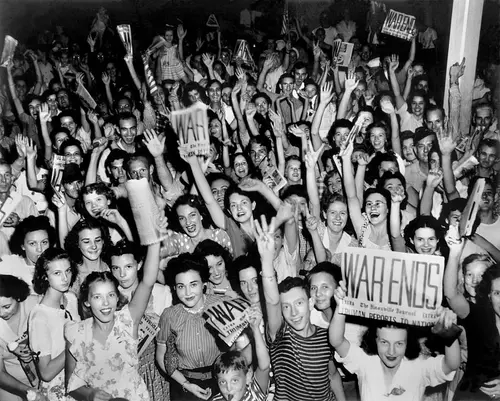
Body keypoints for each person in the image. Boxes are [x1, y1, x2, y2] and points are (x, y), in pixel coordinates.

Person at [255, 216, 345, 401]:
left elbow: (333, 375)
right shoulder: (280, 335)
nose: (293, 313)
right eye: (286, 307)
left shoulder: (325, 335)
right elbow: (272, 301)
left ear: (311, 303)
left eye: (299, 303)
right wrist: (266, 260)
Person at [330, 281, 461, 401]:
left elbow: (451, 364)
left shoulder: (418, 367)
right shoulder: (365, 361)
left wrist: (448, 329)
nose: (391, 352)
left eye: (399, 343)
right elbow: (337, 341)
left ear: (407, 343)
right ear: (374, 340)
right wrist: (340, 307)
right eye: (384, 342)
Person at [64, 241, 161, 401]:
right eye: (97, 297)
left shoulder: (127, 321)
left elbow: (148, 281)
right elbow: (72, 385)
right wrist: (90, 394)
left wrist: (154, 240)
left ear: (117, 297)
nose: (105, 303)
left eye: (110, 295)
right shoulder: (75, 332)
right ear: (87, 301)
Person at [108, 239, 172, 401]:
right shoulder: (108, 299)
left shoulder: (161, 293)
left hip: (157, 371)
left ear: (139, 264)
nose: (122, 275)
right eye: (116, 268)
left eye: (128, 267)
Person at [156, 253, 225, 401]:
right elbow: (161, 355)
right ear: (174, 288)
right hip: (184, 386)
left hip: (220, 381)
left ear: (204, 284)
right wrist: (186, 384)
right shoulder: (169, 316)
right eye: (181, 286)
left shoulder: (220, 306)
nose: (187, 293)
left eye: (193, 284)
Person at [29, 248, 79, 401]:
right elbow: (46, 373)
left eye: (68, 271)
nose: (65, 278)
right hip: (58, 391)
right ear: (45, 277)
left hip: (78, 381)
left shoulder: (71, 299)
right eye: (57, 273)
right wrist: (77, 343)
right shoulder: (39, 317)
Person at [0, 275, 46, 401]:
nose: (1, 313)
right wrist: (27, 391)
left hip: (45, 373)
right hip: (11, 383)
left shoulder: (36, 304)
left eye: (6, 307)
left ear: (18, 297)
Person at [0, 216, 55, 293]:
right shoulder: (11, 265)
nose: (40, 249)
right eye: (32, 243)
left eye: (44, 242)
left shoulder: (56, 266)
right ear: (23, 246)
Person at [64, 219, 111, 297]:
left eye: (98, 240)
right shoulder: (72, 275)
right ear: (77, 244)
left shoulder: (113, 267)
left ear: (103, 241)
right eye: (86, 241)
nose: (94, 246)